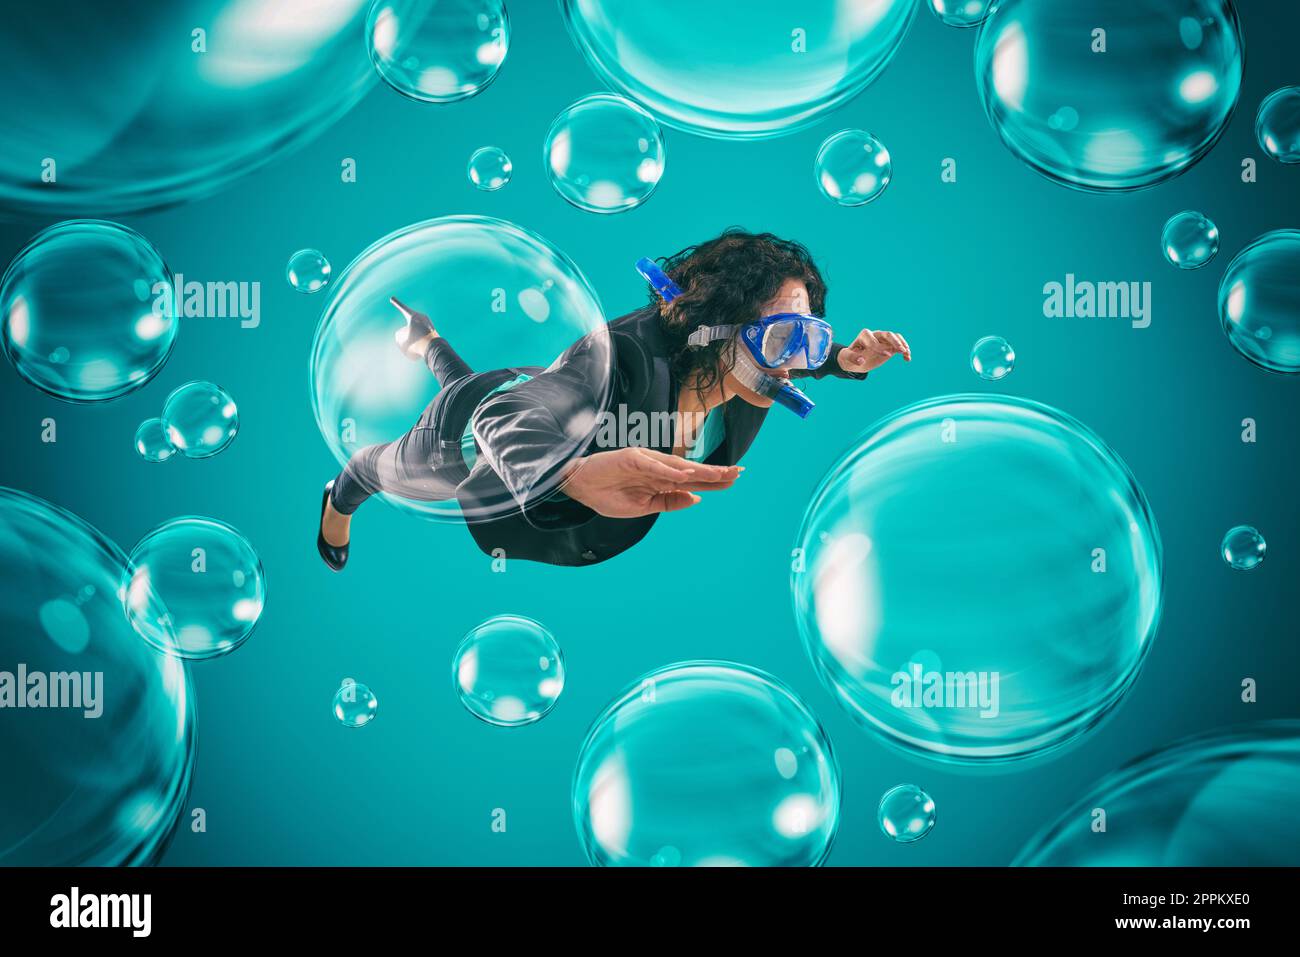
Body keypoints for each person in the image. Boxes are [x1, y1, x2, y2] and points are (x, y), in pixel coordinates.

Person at [317, 228, 911, 569]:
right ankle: (336, 499)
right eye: (786, 338)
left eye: (810, 340)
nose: (793, 364)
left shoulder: (736, 372)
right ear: (715, 325)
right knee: (383, 465)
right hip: (466, 444)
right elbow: (499, 415)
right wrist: (569, 477)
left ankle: (427, 341)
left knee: (459, 375)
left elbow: (779, 357)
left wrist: (843, 361)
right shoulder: (625, 357)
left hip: (530, 381)